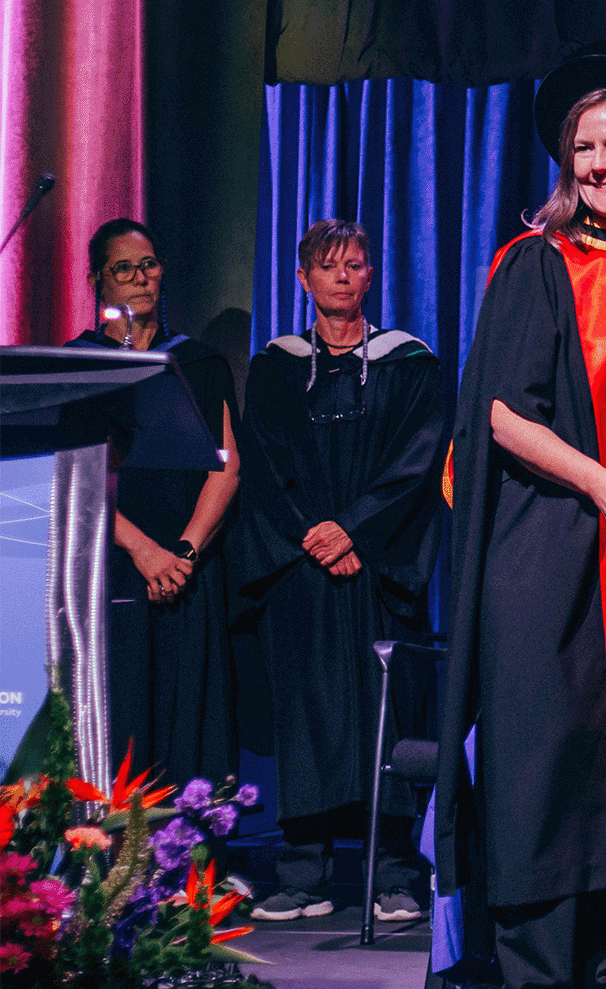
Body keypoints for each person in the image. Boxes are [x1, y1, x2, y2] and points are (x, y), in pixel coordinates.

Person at [436, 43, 606, 989]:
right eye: (581, 147)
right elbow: (498, 412)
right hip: (554, 560)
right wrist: (602, 484)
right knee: (549, 773)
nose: (597, 162)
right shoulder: (538, 264)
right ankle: (533, 970)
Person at [230, 219, 446, 923]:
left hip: (380, 566)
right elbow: (263, 467)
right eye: (328, 267)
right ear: (303, 279)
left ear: (370, 275)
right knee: (308, 719)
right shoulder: (275, 367)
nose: (342, 277)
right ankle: (303, 875)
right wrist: (314, 536)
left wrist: (352, 529)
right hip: (302, 573)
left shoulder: (408, 363)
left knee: (387, 722)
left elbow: (418, 463)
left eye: (355, 265)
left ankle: (393, 875)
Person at [67, 218, 240, 788]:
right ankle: (113, 865)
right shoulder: (77, 366)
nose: (141, 278)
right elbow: (76, 476)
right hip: (111, 564)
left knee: (188, 710)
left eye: (149, 265)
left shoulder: (198, 361)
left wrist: (184, 552)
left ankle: (193, 861)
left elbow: (227, 466)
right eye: (124, 268)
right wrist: (144, 551)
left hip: (190, 564)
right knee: (122, 709)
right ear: (97, 281)